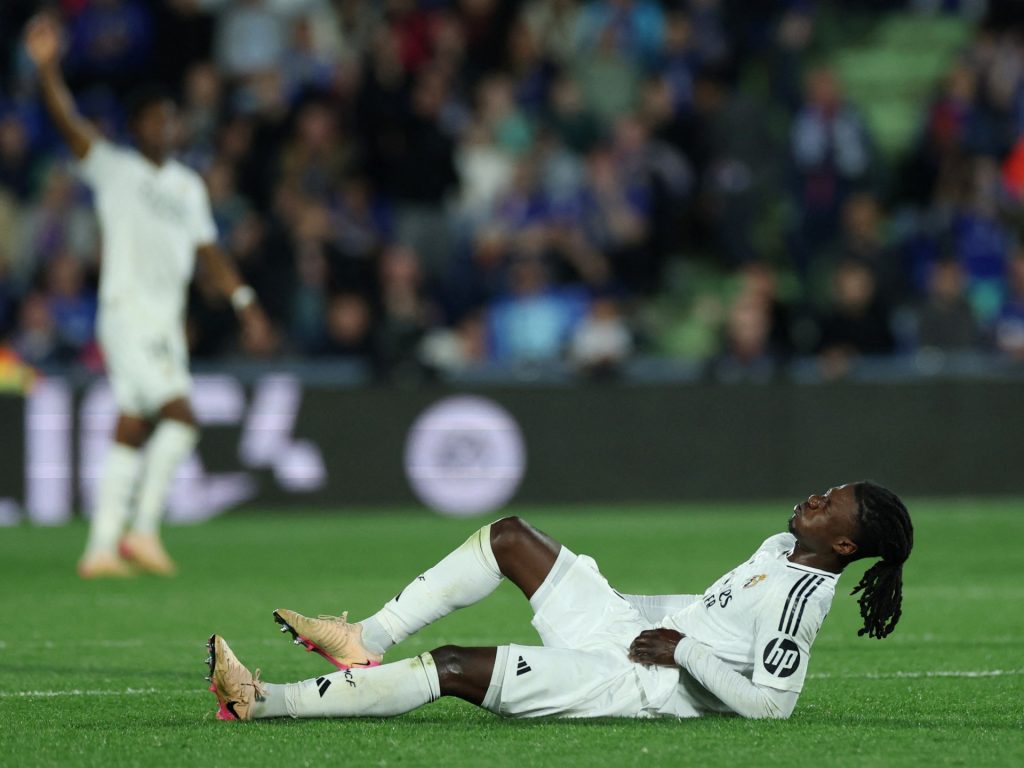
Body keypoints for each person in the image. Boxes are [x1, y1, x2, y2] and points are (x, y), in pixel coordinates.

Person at [206, 481, 913, 721]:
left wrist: (682, 652)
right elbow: (710, 608)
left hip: (639, 682)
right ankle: (367, 637)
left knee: (453, 666)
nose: (817, 498)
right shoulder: (778, 547)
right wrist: (625, 607)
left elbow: (772, 707)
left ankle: (263, 703)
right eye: (827, 490)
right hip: (631, 631)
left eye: (831, 505)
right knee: (510, 537)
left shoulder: (801, 600)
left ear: (844, 545)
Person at [24, 15, 271, 578]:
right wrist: (47, 70)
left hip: (165, 321)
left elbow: (209, 253)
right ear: (135, 127)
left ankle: (100, 549)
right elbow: (68, 122)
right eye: (156, 119)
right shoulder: (115, 169)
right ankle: (143, 530)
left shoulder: (187, 185)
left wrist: (245, 302)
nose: (167, 127)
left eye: (171, 118)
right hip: (127, 315)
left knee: (132, 426)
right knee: (181, 418)